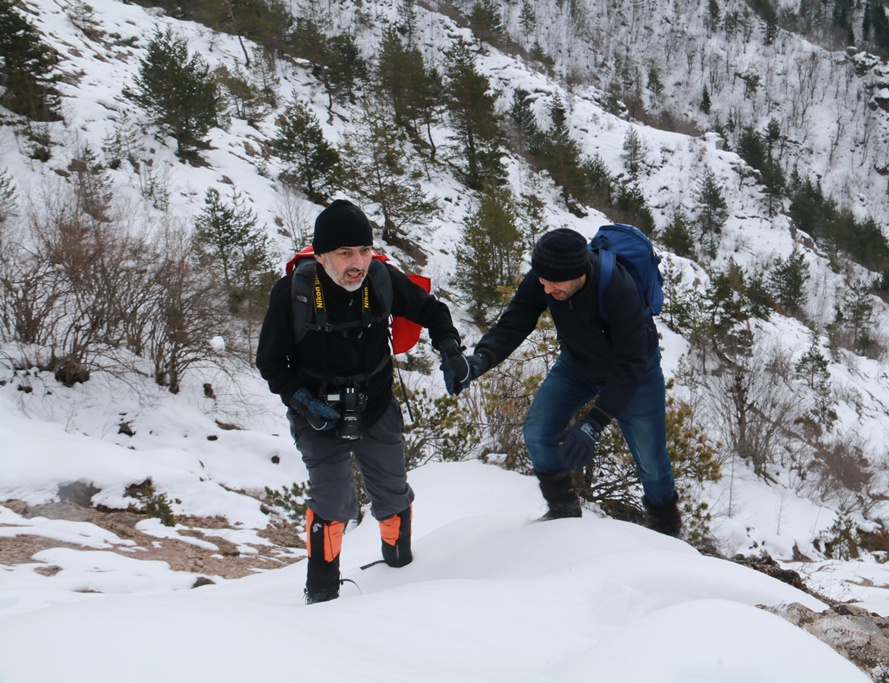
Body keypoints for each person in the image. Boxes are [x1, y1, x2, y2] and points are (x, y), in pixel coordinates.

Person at [256, 199, 469, 603]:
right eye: (345, 253)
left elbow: (432, 310)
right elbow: (270, 362)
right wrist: (302, 401)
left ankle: (402, 571)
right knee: (333, 501)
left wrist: (449, 347)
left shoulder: (381, 279)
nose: (358, 262)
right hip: (317, 412)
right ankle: (321, 596)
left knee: (392, 494)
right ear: (321, 256)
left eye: (365, 251)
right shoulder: (293, 294)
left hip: (375, 406)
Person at [444, 227, 681, 535]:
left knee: (651, 461)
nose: (546, 289)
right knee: (538, 432)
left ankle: (668, 533)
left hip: (635, 374)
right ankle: (563, 513)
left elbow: (632, 363)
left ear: (580, 272)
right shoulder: (544, 278)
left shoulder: (617, 289)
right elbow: (515, 321)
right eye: (542, 281)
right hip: (577, 365)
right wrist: (480, 360)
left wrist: (594, 423)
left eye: (555, 283)